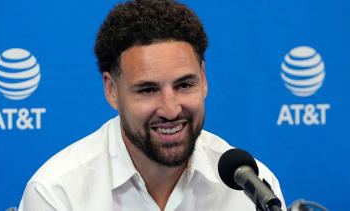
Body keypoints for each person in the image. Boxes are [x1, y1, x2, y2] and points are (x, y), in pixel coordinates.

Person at [18, 0, 286, 210]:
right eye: (148, 90)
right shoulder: (56, 193)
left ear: (204, 79)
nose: (170, 110)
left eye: (184, 85)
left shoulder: (253, 188)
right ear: (111, 90)